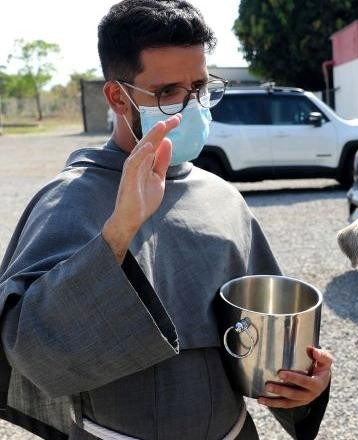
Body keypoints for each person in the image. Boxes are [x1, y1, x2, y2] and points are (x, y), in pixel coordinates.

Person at [0, 1, 332, 439]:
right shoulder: (69, 200)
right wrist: (119, 231)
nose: (191, 105)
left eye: (200, 86)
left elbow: (270, 331)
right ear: (118, 96)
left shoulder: (223, 198)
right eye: (168, 92)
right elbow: (29, 346)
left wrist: (304, 384)